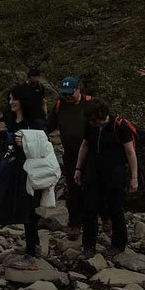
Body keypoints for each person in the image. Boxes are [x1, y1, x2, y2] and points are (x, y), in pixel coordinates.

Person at [73, 98, 138, 258]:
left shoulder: (119, 125)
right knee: (89, 209)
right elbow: (85, 145)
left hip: (114, 173)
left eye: (95, 119)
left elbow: (130, 152)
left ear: (102, 114)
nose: (93, 122)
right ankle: (88, 246)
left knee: (115, 209)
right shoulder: (91, 126)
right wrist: (78, 168)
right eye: (90, 120)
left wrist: (134, 177)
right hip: (93, 172)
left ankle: (118, 244)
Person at [0, 84, 47, 267]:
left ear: (23, 100)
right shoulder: (13, 119)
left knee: (29, 209)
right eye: (9, 99)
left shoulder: (36, 122)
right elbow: (11, 138)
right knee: (23, 206)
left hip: (30, 171)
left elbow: (43, 145)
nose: (11, 102)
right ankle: (35, 244)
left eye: (14, 99)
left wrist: (25, 141)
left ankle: (31, 254)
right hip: (16, 169)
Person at [46, 76, 91, 234]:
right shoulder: (60, 105)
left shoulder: (90, 104)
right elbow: (48, 126)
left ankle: (102, 219)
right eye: (64, 94)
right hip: (71, 155)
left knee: (94, 188)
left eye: (70, 94)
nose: (67, 97)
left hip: (91, 155)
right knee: (73, 189)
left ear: (78, 90)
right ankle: (74, 224)